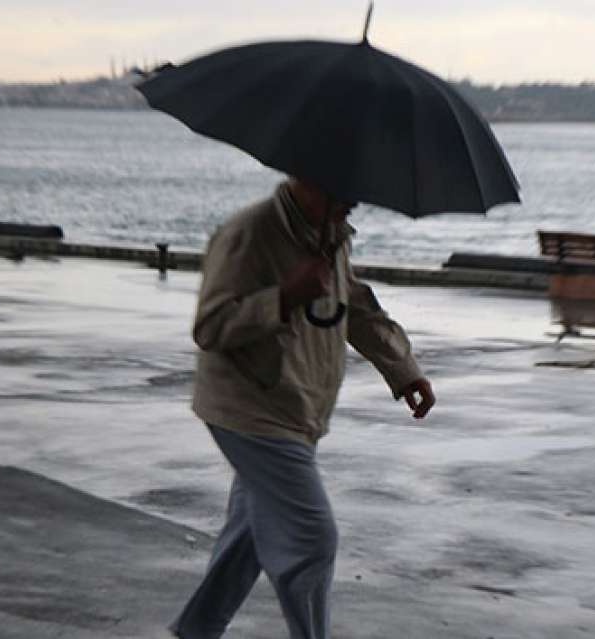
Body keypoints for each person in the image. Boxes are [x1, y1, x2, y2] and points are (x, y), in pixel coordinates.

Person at [170, 177, 435, 639]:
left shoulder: (329, 235)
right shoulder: (248, 233)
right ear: (304, 178)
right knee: (312, 538)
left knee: (251, 533)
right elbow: (210, 326)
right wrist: (285, 296)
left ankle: (194, 631)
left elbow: (352, 305)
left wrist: (403, 369)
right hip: (250, 409)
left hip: (298, 408)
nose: (352, 200)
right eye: (341, 188)